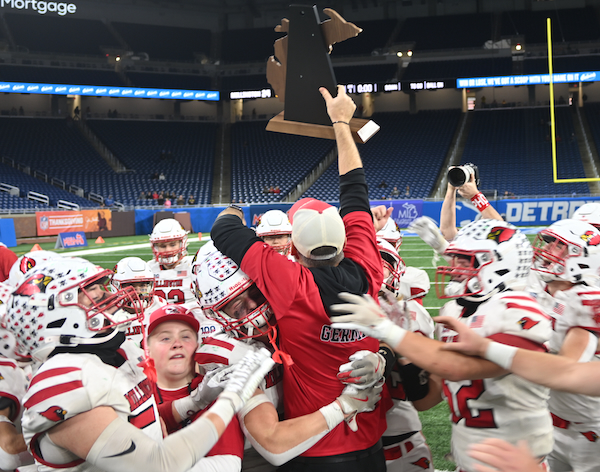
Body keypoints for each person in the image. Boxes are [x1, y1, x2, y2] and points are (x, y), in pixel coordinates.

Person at [210, 85, 392, 471]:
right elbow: (355, 189)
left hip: (314, 447)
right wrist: (341, 122)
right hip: (371, 439)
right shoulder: (370, 269)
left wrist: (234, 207)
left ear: (295, 247)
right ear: (348, 240)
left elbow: (224, 231)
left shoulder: (292, 285)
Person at [4, 256, 275, 472]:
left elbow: (145, 422)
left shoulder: (118, 352)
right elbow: (156, 464)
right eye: (96, 296)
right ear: (58, 317)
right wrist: (232, 398)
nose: (111, 298)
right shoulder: (65, 379)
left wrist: (194, 401)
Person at [330, 219, 554, 472]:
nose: (453, 267)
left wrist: (389, 331)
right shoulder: (455, 311)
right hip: (470, 455)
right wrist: (403, 353)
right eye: (454, 258)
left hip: (518, 458)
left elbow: (460, 368)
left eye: (464, 260)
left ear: (499, 265)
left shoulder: (518, 309)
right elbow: (426, 400)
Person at [193, 250, 383, 468]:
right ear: (220, 317)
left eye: (256, 293)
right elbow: (273, 445)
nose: (253, 307)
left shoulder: (297, 316)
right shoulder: (232, 354)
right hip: (260, 461)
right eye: (238, 307)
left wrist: (382, 360)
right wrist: (344, 406)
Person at [146, 305, 245, 472]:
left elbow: (225, 468)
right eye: (165, 338)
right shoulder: (134, 394)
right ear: (147, 348)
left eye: (185, 337)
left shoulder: (216, 391)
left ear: (198, 346)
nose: (177, 344)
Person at [110, 256, 166, 345]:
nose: (138, 291)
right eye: (130, 286)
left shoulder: (160, 306)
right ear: (115, 287)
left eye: (143, 285)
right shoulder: (108, 313)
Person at [148, 219, 196, 308]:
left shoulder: (194, 266)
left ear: (182, 244)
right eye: (162, 246)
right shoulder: (148, 269)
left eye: (173, 245)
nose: (168, 250)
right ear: (155, 247)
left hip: (190, 316)